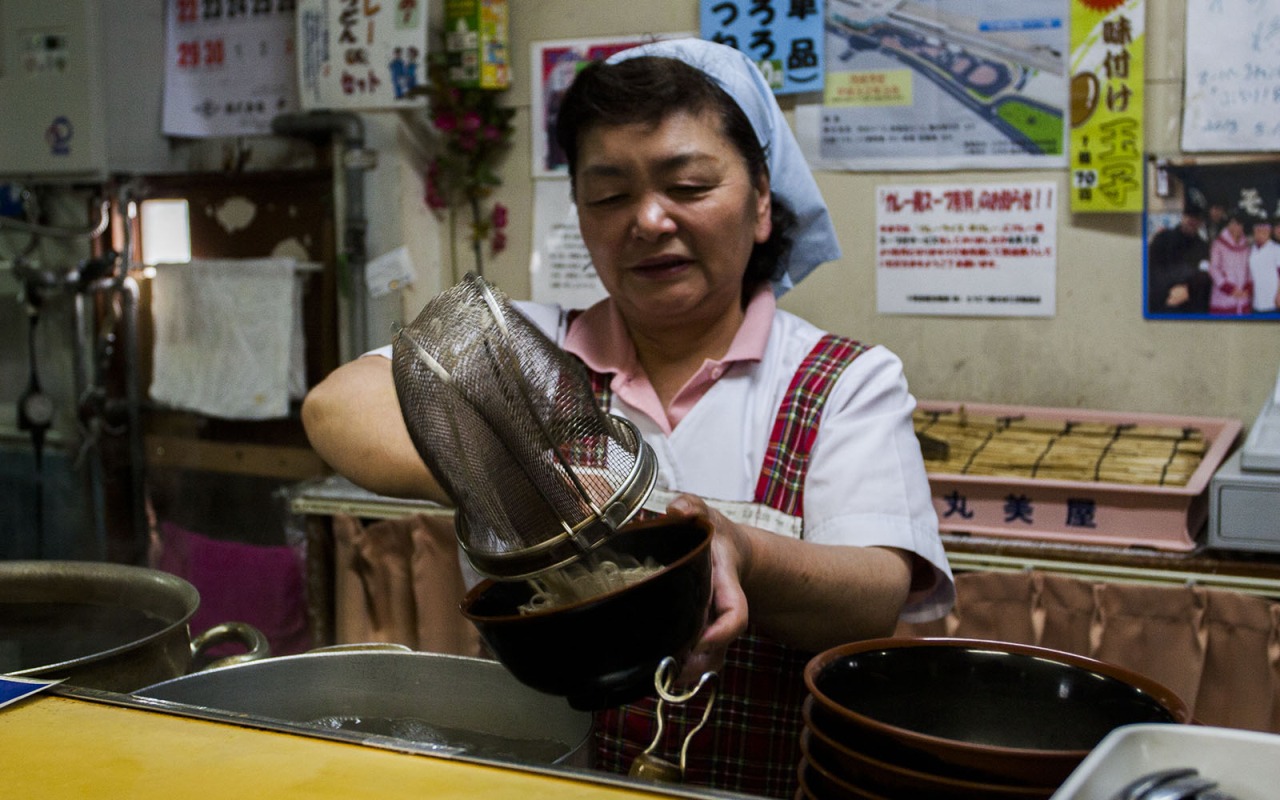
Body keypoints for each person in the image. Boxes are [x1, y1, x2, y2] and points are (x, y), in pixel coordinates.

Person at [301, 37, 954, 799]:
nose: (648, 219)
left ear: (763, 200)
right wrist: (518, 478)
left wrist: (738, 549)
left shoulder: (842, 381)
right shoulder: (523, 353)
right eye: (610, 195)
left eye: (688, 184)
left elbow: (876, 597)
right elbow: (337, 406)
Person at [1146, 205, 1210, 314]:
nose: (1193, 221)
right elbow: (1152, 269)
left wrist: (1188, 290)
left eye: (1197, 218)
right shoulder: (1163, 238)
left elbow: (1204, 275)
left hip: (1191, 308)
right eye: (1189, 216)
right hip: (1162, 305)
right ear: (1183, 216)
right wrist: (1169, 293)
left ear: (1201, 222)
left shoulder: (1204, 248)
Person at [1208, 209, 1252, 315]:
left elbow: (1249, 269)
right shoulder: (1218, 244)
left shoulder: (1246, 246)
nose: (1236, 227)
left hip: (1242, 297)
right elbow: (1213, 269)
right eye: (1233, 223)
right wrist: (1228, 288)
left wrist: (1248, 287)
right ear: (1228, 224)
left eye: (1239, 224)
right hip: (1223, 297)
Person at [1249, 215, 1280, 313]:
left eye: (1264, 231)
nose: (1260, 234)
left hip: (1273, 300)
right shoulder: (1250, 250)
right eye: (1257, 231)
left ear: (1269, 232)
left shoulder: (1276, 249)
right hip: (1255, 301)